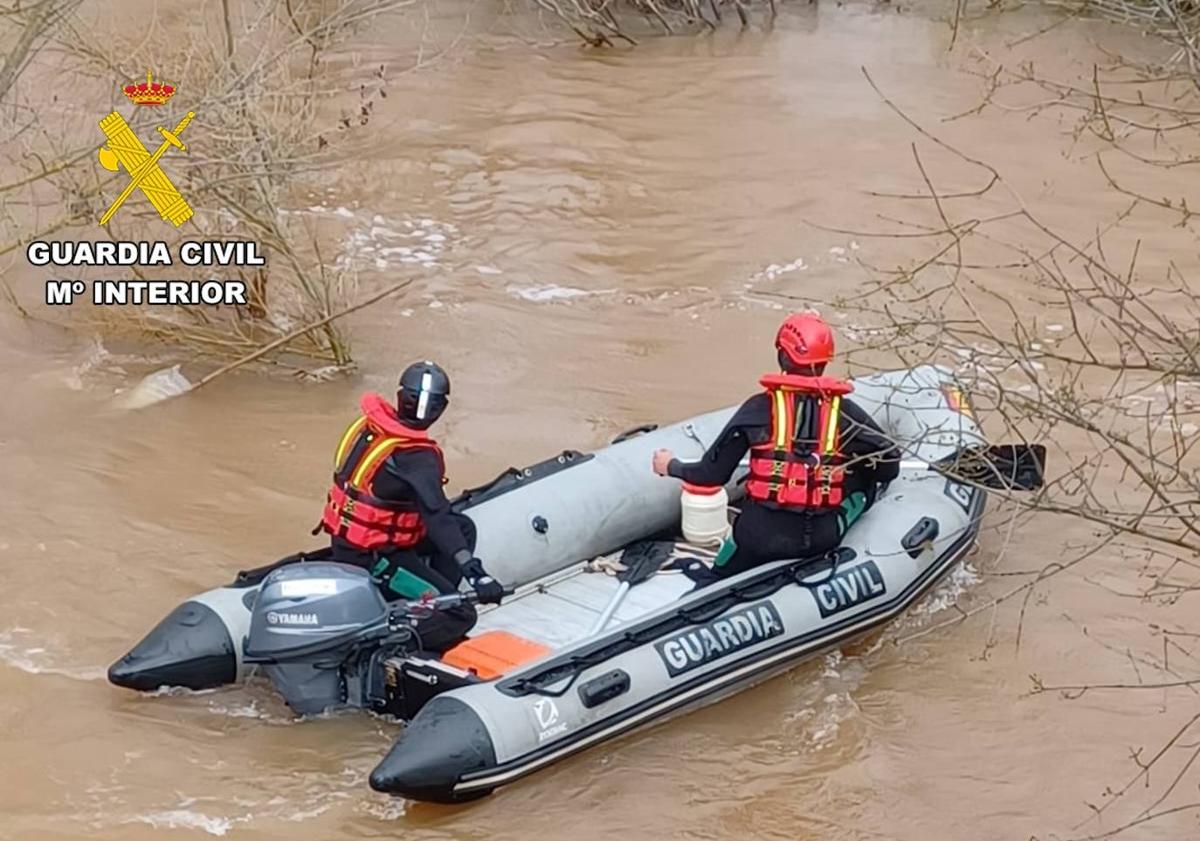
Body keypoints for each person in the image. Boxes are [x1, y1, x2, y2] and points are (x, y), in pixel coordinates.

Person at [652, 312, 900, 582]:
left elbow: (710, 475)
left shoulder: (757, 409)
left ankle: (716, 580)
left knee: (716, 576)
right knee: (865, 486)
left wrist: (670, 466)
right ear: (826, 360)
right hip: (819, 540)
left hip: (757, 540)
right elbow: (888, 467)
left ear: (783, 355)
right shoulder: (845, 414)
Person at [315, 360, 505, 652]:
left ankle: (434, 598)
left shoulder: (372, 428)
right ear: (440, 409)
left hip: (348, 541)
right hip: (374, 560)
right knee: (460, 614)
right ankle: (387, 642)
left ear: (401, 396)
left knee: (463, 528)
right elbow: (437, 515)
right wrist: (476, 573)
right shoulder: (416, 457)